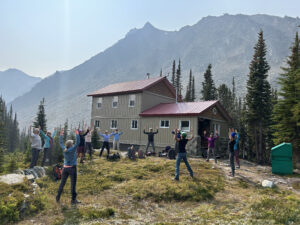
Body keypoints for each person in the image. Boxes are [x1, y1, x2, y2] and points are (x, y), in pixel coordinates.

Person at [56, 128, 80, 204]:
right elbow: (78, 142)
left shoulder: (64, 149)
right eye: (72, 143)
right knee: (73, 184)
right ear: (71, 145)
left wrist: (61, 134)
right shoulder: (72, 149)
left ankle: (58, 197)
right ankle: (73, 200)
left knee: (62, 183)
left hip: (65, 168)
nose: (73, 144)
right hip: (72, 168)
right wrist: (77, 133)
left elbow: (60, 142)